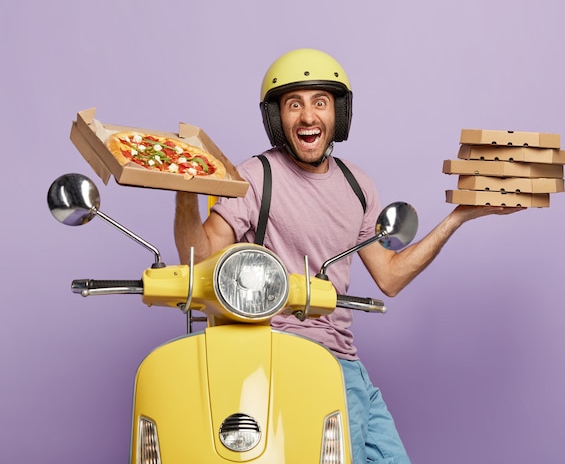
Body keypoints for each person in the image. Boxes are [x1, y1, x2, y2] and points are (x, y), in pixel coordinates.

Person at [174, 48, 523, 463]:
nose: (308, 117)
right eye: (294, 104)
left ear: (338, 114)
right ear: (276, 118)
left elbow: (390, 277)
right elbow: (199, 258)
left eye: (320, 102)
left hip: (343, 359)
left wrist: (460, 216)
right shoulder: (255, 176)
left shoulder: (358, 185)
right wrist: (184, 192)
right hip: (279, 352)